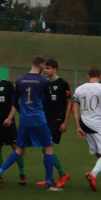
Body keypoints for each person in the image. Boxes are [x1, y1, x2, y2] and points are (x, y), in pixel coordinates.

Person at [0, 56, 62, 191]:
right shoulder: (43, 81)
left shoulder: (20, 79)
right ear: (41, 65)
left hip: (24, 119)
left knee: (20, 150)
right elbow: (48, 101)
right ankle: (49, 183)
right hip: (38, 119)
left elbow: (15, 101)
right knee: (48, 147)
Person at [73, 68, 101, 192]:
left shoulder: (79, 89)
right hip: (97, 124)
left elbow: (74, 108)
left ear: (88, 76)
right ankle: (93, 174)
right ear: (100, 76)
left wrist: (78, 126)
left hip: (84, 123)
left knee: (100, 155)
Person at [42, 58, 73, 187]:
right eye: (44, 68)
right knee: (44, 149)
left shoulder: (63, 84)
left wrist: (65, 122)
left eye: (48, 68)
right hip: (45, 120)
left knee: (47, 147)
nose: (45, 70)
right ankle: (51, 178)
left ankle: (62, 174)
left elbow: (69, 102)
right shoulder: (44, 84)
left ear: (55, 69)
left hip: (57, 120)